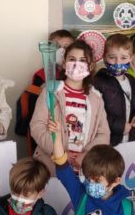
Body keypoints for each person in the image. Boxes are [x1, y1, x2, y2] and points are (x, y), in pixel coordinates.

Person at [30, 40, 110, 173]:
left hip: (84, 167)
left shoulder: (96, 98)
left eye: (83, 60)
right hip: (52, 165)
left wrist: (87, 155)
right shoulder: (51, 92)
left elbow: (104, 134)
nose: (77, 64)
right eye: (72, 59)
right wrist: (59, 152)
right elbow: (37, 126)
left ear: (90, 66)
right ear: (64, 64)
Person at [15, 29, 74, 154]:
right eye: (57, 47)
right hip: (47, 135)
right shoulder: (41, 76)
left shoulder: (76, 76)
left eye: (66, 47)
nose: (62, 51)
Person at [92, 33, 135, 146]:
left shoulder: (133, 82)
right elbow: (95, 114)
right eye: (112, 57)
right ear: (104, 57)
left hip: (131, 141)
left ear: (131, 58)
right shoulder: (97, 82)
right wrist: (119, 126)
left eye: (123, 58)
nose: (118, 63)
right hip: (107, 142)